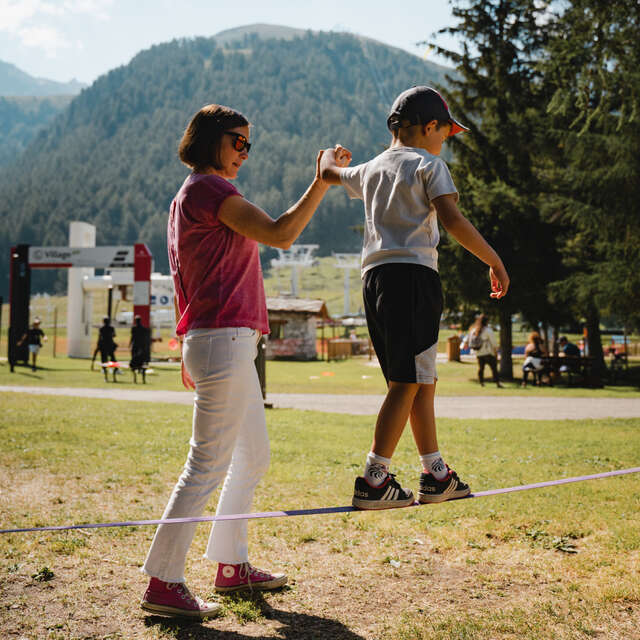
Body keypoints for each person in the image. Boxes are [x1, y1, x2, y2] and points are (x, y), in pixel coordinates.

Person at [140, 103, 348, 619]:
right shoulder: (211, 190)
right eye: (238, 141)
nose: (244, 152)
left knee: (251, 457)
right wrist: (320, 181)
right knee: (206, 465)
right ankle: (163, 583)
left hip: (227, 343)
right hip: (223, 342)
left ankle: (230, 565)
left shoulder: (191, 194)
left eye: (249, 144)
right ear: (211, 139)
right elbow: (280, 233)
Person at [320, 86, 510, 510]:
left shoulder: (370, 170)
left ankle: (435, 473)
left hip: (374, 279)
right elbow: (452, 219)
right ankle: (374, 478)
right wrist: (494, 260)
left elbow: (329, 173)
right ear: (429, 127)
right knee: (407, 382)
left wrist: (328, 157)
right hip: (413, 277)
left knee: (418, 380)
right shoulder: (430, 164)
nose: (445, 141)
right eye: (445, 132)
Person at [463, 314, 503, 388]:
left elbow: (468, 338)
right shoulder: (488, 330)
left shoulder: (474, 329)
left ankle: (481, 382)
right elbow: (493, 342)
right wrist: (495, 351)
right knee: (494, 368)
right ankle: (497, 383)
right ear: (487, 321)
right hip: (488, 352)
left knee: (481, 368)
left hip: (478, 352)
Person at [129, 315, 151, 383]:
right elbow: (145, 338)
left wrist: (130, 344)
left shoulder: (134, 328)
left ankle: (135, 378)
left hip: (135, 345)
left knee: (134, 359)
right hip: (141, 346)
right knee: (141, 360)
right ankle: (141, 373)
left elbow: (132, 337)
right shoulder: (144, 329)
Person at [96, 316, 118, 381]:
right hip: (110, 346)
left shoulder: (101, 328)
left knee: (104, 361)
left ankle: (106, 377)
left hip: (103, 346)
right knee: (113, 360)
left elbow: (99, 337)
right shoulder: (111, 328)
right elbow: (114, 335)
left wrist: (98, 345)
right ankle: (114, 376)